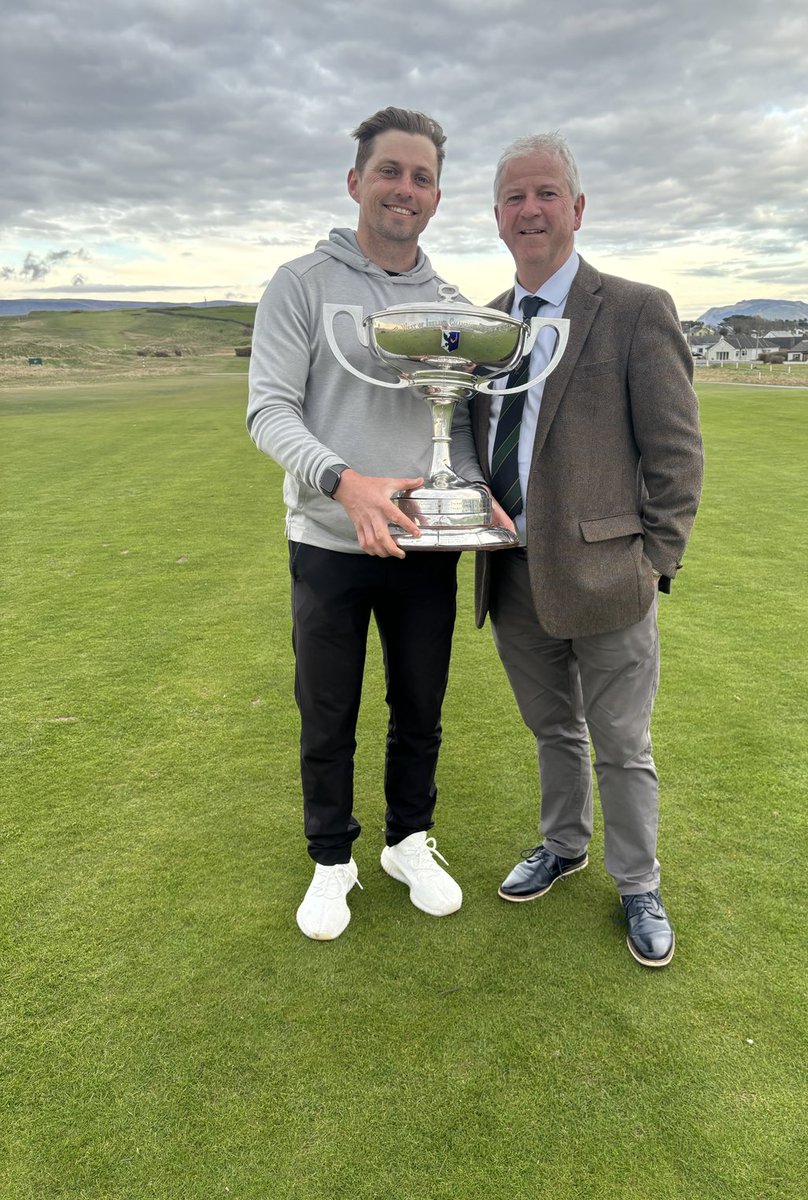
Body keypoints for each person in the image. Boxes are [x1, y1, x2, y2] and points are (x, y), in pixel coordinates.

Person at [465, 133, 703, 966]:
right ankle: (562, 846)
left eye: (545, 193)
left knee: (623, 747)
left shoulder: (635, 309)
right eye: (514, 198)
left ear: (576, 207)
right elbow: (471, 435)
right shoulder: (485, 325)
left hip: (610, 576)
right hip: (513, 570)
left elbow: (675, 453)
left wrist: (655, 561)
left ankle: (638, 883)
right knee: (552, 731)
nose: (530, 210)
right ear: (497, 218)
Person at [246, 107, 467, 941]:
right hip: (329, 541)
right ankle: (331, 859)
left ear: (436, 197)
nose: (404, 189)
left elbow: (465, 428)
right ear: (356, 182)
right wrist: (345, 483)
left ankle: (408, 841)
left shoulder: (449, 305)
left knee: (421, 707)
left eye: (420, 177)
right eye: (389, 172)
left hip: (421, 546)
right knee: (327, 710)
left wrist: (475, 496)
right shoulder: (300, 284)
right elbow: (269, 411)